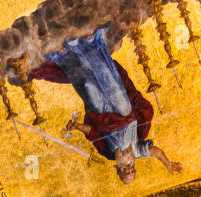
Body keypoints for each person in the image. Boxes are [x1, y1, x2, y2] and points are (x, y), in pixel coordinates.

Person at [28, 26, 182, 183]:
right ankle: (92, 42)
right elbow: (155, 152)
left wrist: (77, 127)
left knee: (88, 85)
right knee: (106, 76)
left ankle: (64, 53)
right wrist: (168, 163)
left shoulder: (108, 154)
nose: (129, 170)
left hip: (103, 115)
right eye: (132, 172)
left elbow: (93, 133)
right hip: (123, 111)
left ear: (119, 172)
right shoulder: (136, 151)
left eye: (126, 174)